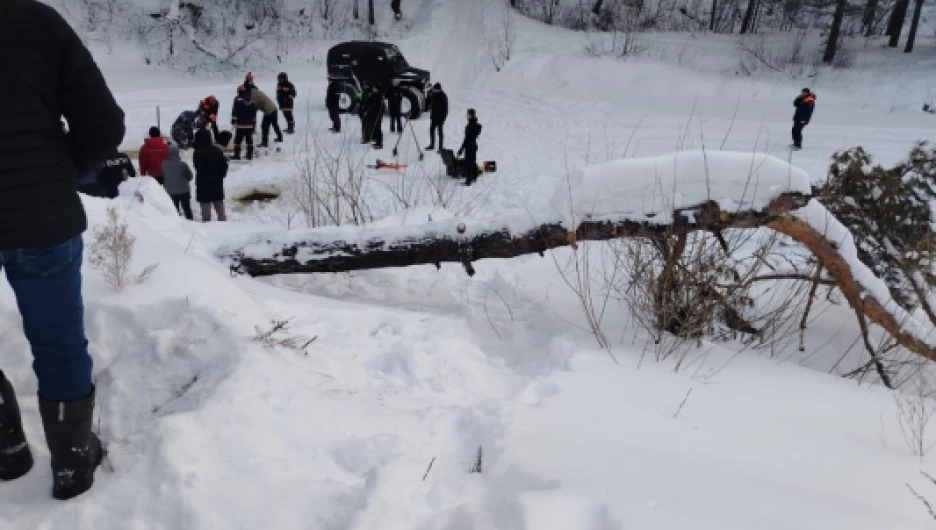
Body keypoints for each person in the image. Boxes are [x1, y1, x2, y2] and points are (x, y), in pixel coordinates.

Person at [0, 0, 124, 501]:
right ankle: (72, 464)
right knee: (59, 341)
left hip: (39, 206)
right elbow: (102, 123)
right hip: (40, 214)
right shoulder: (34, 20)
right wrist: (56, 171)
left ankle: (6, 449)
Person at [193, 129, 229, 221]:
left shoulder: (197, 152)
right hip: (217, 184)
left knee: (206, 213)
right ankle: (225, 227)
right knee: (220, 211)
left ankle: (208, 228)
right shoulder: (217, 150)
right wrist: (220, 176)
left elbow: (198, 167)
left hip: (203, 185)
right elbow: (224, 166)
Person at [161, 145, 195, 220]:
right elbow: (190, 177)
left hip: (170, 191)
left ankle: (176, 225)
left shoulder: (163, 164)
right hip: (184, 191)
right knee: (187, 209)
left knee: (174, 210)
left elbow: (163, 175)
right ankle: (191, 222)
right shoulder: (182, 164)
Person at [457, 109, 482, 186]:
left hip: (471, 146)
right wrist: (461, 149)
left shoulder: (473, 125)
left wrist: (461, 149)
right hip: (470, 146)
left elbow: (468, 138)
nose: (467, 116)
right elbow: (466, 138)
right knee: (471, 162)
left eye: (468, 115)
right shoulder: (470, 125)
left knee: (469, 164)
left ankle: (468, 180)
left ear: (472, 115)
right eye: (467, 115)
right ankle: (473, 177)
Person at [231, 86, 256, 161]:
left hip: (241, 124)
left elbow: (235, 111)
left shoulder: (237, 100)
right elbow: (254, 113)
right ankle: (249, 155)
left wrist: (233, 120)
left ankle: (237, 155)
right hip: (250, 124)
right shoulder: (251, 100)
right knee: (249, 140)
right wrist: (253, 123)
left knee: (238, 140)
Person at [361, 84, 385, 149]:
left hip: (377, 115)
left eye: (375, 88)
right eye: (373, 88)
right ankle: (376, 141)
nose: (373, 89)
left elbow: (381, 107)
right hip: (372, 115)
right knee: (374, 128)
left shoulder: (379, 96)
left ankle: (380, 143)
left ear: (378, 89)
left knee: (378, 129)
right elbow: (369, 104)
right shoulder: (373, 95)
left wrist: (379, 114)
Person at [427, 83, 448, 151]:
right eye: (434, 89)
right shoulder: (433, 94)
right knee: (431, 131)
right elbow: (430, 103)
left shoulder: (443, 97)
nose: (434, 90)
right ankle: (432, 145)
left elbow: (445, 109)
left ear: (439, 89)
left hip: (440, 118)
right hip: (433, 117)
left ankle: (440, 147)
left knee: (440, 133)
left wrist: (443, 118)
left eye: (435, 89)